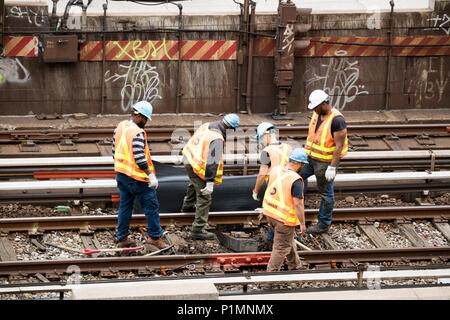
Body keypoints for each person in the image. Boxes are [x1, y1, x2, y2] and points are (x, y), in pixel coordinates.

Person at [112, 101, 169, 249]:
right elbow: (139, 157)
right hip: (137, 178)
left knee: (125, 206)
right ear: (139, 116)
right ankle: (155, 238)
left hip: (122, 174)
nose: (145, 122)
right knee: (151, 206)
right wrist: (150, 175)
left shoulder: (121, 126)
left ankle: (122, 238)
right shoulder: (137, 132)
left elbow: (114, 150)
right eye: (145, 119)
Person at [181, 113, 240, 240]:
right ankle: (197, 230)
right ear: (229, 128)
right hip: (197, 165)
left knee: (195, 183)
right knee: (204, 196)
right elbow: (212, 162)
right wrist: (209, 182)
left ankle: (187, 207)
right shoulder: (217, 139)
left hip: (189, 158)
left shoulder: (207, 125)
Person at [301, 89, 348, 234]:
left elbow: (339, 146)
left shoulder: (337, 120)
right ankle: (296, 210)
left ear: (323, 104)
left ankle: (323, 225)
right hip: (310, 158)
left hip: (325, 163)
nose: (313, 109)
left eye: (315, 106)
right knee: (296, 177)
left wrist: (332, 167)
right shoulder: (317, 114)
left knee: (326, 194)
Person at [262, 148, 308, 272]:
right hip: (283, 219)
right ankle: (269, 279)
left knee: (287, 240)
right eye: (303, 165)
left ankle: (295, 266)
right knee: (281, 248)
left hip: (270, 213)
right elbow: (298, 204)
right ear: (299, 164)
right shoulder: (296, 180)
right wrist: (302, 223)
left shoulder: (276, 170)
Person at [252, 122, 293, 201]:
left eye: (260, 139)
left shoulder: (267, 151)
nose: (261, 142)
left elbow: (262, 175)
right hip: (290, 183)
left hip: (275, 187)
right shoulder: (289, 147)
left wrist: (255, 191)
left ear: (266, 136)